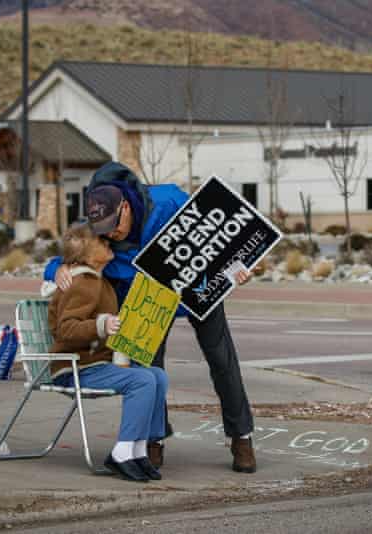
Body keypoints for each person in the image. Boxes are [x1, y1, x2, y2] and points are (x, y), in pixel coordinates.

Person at [45, 162, 257, 473]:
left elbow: (216, 240)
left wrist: (237, 269)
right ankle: (153, 440)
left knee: (222, 358)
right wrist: (58, 270)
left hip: (197, 286)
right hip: (147, 297)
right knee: (149, 364)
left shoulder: (169, 202)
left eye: (115, 227)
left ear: (126, 207)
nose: (112, 235)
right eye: (104, 233)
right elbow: (62, 257)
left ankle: (242, 437)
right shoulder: (95, 220)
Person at [48, 222, 168, 483]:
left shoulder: (100, 283)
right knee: (143, 380)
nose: (108, 243)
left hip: (95, 366)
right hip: (75, 369)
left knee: (157, 375)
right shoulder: (82, 283)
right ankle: (122, 452)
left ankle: (138, 449)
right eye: (101, 242)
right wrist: (102, 325)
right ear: (87, 253)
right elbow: (65, 329)